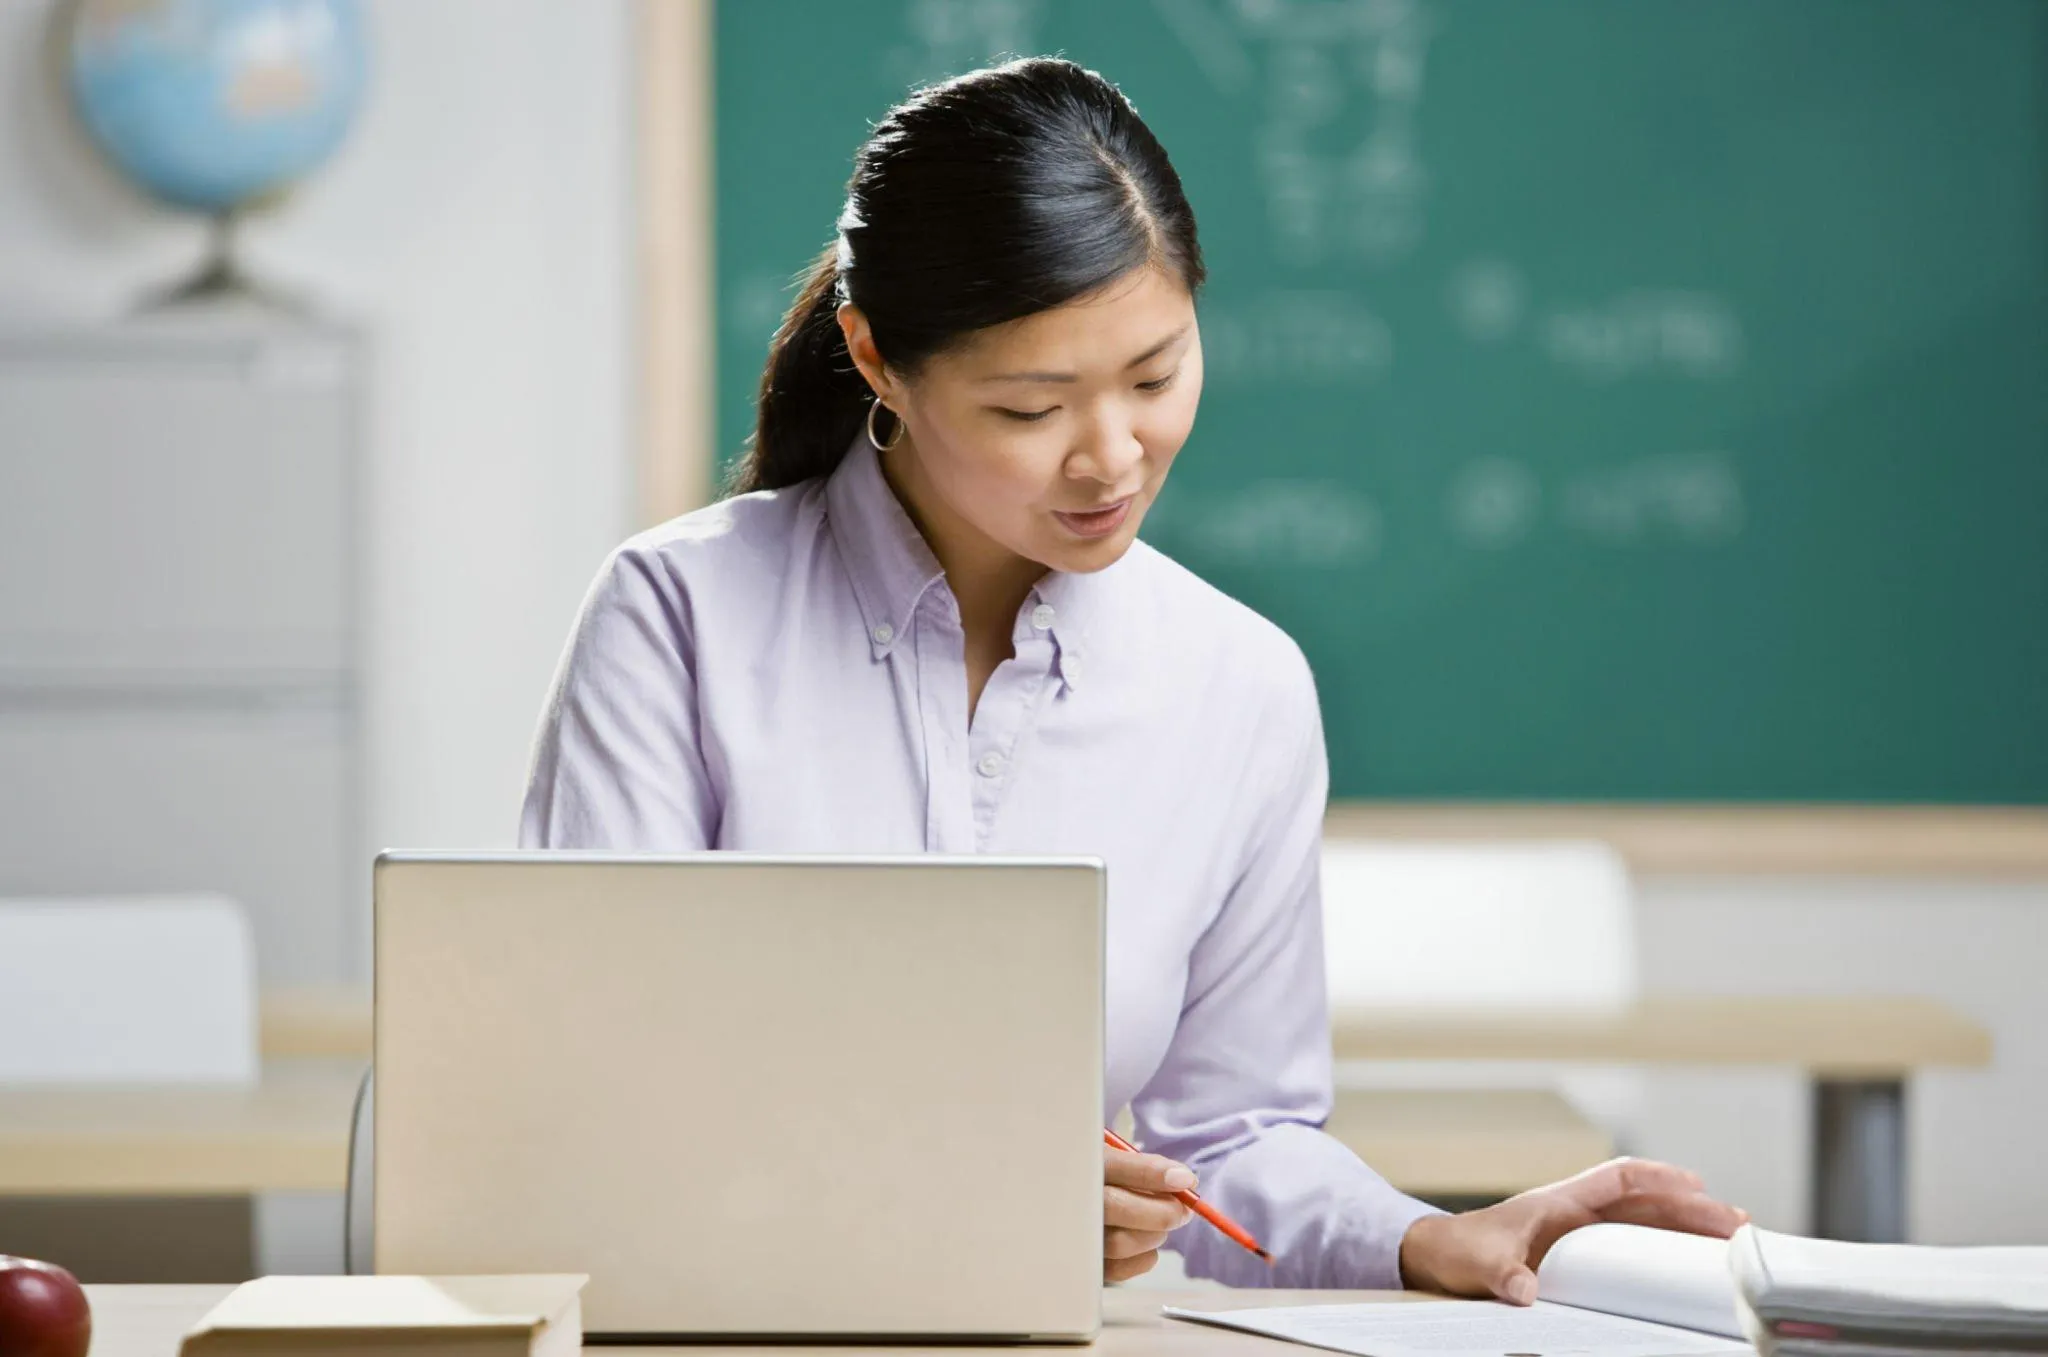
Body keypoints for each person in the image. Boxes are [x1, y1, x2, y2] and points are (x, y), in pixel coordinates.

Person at [520, 56, 1745, 1295]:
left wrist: (1423, 1235)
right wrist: (968, 1192)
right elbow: (593, 1101)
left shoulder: (1240, 685)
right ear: (875, 358)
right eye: (1030, 407)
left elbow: (1224, 1147)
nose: (1112, 456)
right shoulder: (677, 621)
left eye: (1155, 376)